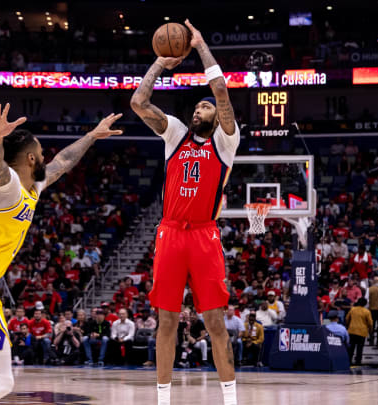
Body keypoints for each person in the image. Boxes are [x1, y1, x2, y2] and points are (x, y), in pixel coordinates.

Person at [0, 103, 122, 405]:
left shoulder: (33, 187)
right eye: (41, 153)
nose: (45, 158)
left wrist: (93, 135)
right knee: (0, 380)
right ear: (31, 158)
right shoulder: (7, 188)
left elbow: (63, 161)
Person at [131, 19, 240, 405]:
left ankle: (230, 400)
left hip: (204, 234)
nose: (201, 107)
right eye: (198, 104)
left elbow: (222, 91)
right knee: (167, 321)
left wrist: (200, 46)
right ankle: (163, 400)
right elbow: (138, 103)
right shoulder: (175, 132)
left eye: (205, 105)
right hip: (170, 232)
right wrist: (161, 63)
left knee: (214, 323)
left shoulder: (227, 142)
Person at [345, 298, 373, 366]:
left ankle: (349, 361)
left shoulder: (352, 309)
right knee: (359, 348)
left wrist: (348, 325)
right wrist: (370, 331)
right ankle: (358, 362)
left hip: (352, 331)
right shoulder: (366, 311)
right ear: (365, 304)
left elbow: (347, 318)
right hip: (362, 332)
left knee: (351, 348)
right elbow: (370, 323)